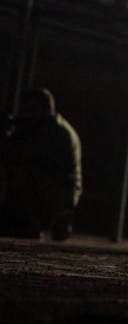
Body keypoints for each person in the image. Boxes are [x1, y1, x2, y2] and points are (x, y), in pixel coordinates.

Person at [0, 88, 83, 240]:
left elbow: (23, 157)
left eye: (32, 109)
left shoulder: (56, 132)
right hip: (52, 191)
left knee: (20, 172)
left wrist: (8, 136)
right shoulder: (43, 128)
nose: (26, 114)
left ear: (45, 110)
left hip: (60, 197)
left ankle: (30, 225)